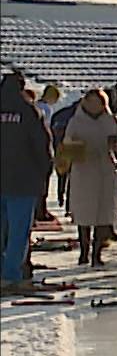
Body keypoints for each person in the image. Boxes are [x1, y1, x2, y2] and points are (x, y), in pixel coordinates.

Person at [63, 90, 117, 267]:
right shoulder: (75, 122)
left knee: (103, 214)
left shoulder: (111, 120)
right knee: (84, 214)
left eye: (96, 102)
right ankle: (84, 251)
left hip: (106, 171)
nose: (93, 106)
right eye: (89, 102)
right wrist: (77, 150)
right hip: (83, 172)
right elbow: (66, 147)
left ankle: (97, 253)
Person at [1, 72, 54, 290]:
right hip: (23, 181)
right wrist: (44, 174)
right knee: (18, 233)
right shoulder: (29, 111)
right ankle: (11, 275)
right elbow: (42, 146)